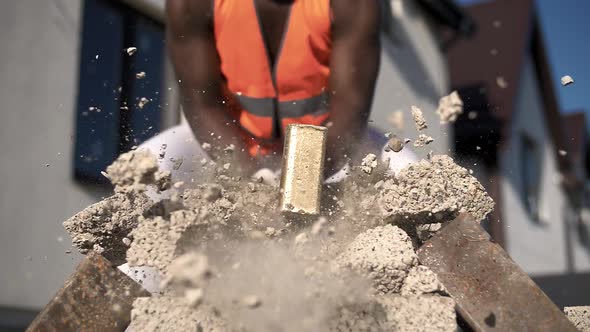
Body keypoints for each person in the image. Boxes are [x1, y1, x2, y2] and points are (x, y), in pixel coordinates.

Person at [139, 0, 416, 184]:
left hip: (331, 147)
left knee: (410, 176)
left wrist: (298, 181)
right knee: (147, 169)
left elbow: (350, 111)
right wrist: (252, 181)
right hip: (229, 144)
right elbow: (203, 107)